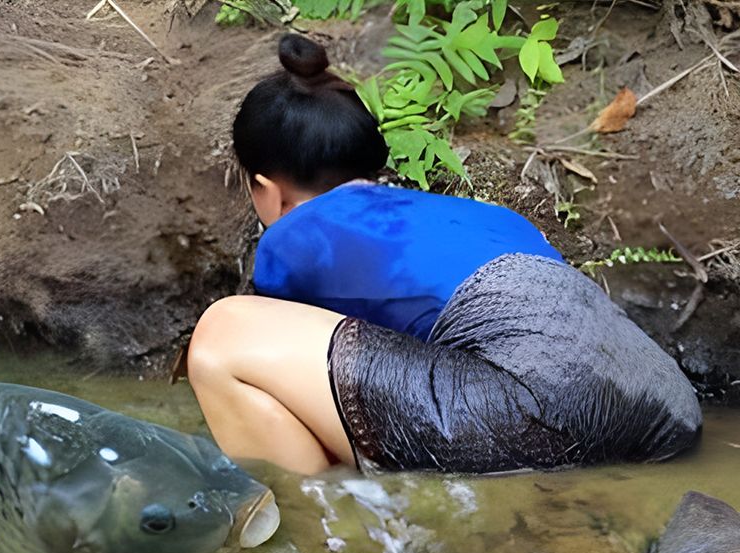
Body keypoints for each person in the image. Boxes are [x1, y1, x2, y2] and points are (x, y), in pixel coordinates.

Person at [183, 34, 702, 476]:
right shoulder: (481, 217)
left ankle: (323, 528)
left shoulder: (294, 237)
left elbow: (306, 379)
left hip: (543, 413)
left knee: (222, 336)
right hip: (667, 411)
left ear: (266, 191)